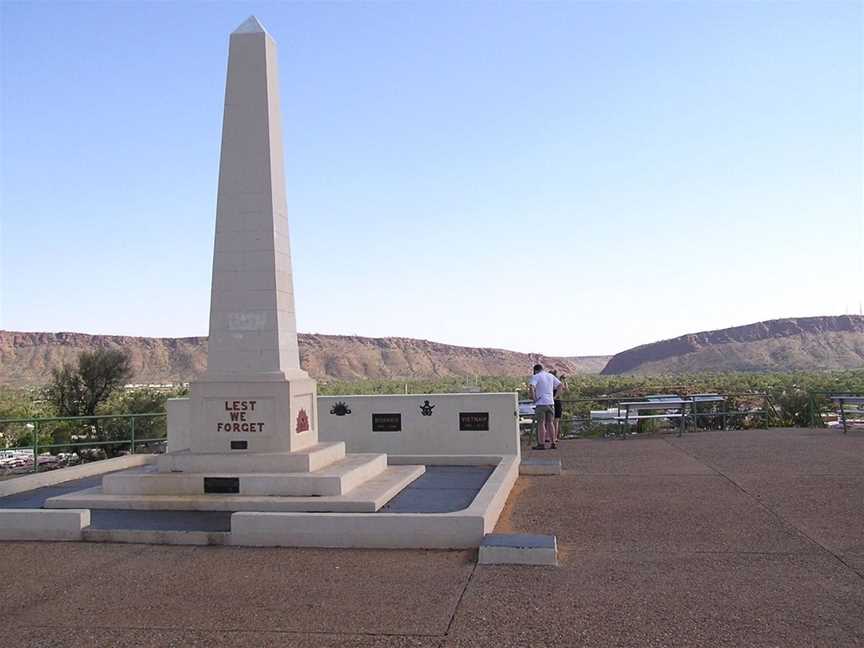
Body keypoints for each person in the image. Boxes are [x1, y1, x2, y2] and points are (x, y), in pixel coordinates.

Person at [529, 363, 561, 450]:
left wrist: (534, 398)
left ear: (535, 370)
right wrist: (555, 397)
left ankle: (541, 444)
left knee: (541, 423)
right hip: (550, 403)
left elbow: (531, 386)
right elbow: (560, 385)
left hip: (540, 403)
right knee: (550, 423)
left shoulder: (536, 376)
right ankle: (553, 443)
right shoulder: (550, 376)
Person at [550, 370, 567, 445]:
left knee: (550, 421)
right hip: (557, 401)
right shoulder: (558, 382)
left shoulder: (551, 382)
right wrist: (564, 381)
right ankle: (555, 438)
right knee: (555, 421)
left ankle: (551, 438)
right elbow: (566, 389)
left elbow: (566, 389)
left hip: (552, 402)